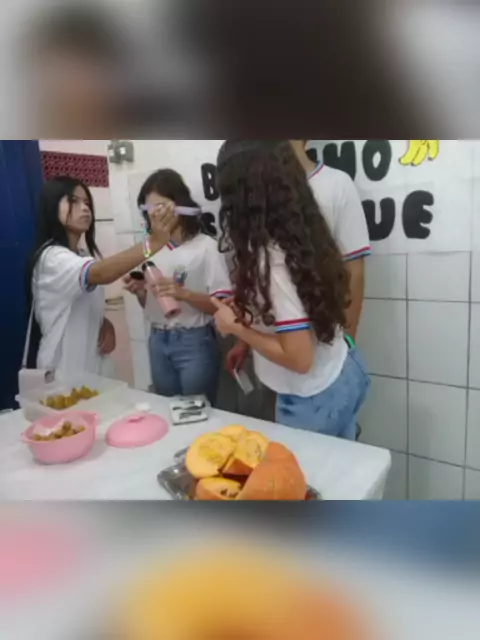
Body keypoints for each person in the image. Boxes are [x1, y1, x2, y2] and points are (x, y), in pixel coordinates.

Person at [212, 140, 370, 440]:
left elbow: (299, 359)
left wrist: (237, 328)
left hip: (310, 400)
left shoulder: (272, 259)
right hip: (344, 369)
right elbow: (300, 303)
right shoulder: (302, 231)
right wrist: (251, 326)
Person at [26, 176, 177, 378]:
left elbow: (73, 305)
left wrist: (102, 322)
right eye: (74, 201)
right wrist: (153, 243)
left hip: (93, 369)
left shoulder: (81, 256)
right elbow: (101, 273)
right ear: (52, 206)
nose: (85, 208)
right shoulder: (51, 258)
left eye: (87, 202)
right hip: (62, 372)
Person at [123, 169, 232, 406]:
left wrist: (184, 294)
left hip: (194, 341)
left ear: (180, 205)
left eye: (161, 207)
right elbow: (149, 306)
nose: (156, 216)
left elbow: (222, 307)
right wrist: (140, 292)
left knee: (197, 412)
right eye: (149, 210)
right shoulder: (148, 250)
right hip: (157, 340)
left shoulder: (205, 247)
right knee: (166, 410)